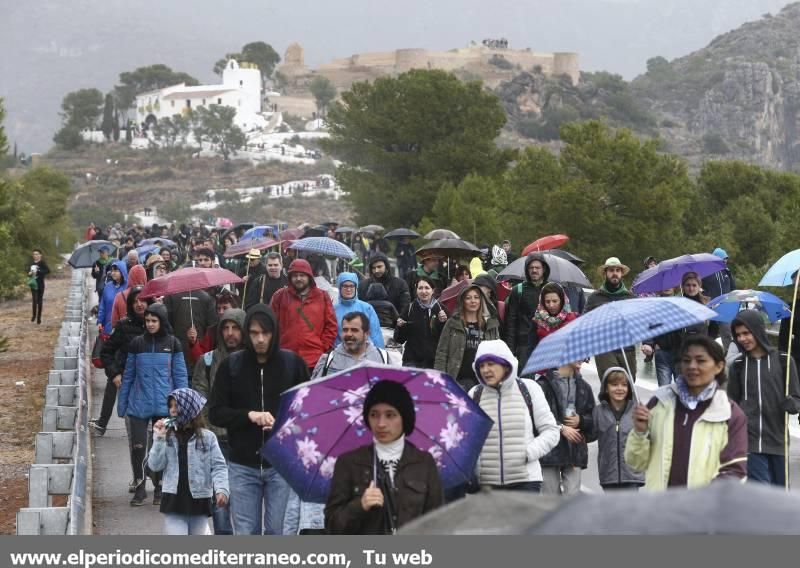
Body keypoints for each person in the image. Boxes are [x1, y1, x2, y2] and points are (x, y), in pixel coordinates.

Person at [208, 305, 309, 535]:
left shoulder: (292, 364)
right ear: (247, 334)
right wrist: (248, 415)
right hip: (242, 464)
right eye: (254, 333)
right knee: (245, 532)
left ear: (275, 332)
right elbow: (215, 412)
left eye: (265, 333)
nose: (260, 339)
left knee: (278, 531)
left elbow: (308, 412)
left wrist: (283, 423)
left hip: (281, 464)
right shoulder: (231, 366)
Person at [625, 335, 748, 490]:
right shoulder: (659, 403)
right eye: (686, 360)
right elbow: (636, 463)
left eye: (701, 360)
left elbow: (735, 472)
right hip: (660, 509)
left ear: (719, 366)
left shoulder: (730, 413)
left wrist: (701, 504)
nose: (692, 366)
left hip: (703, 511)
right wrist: (639, 433)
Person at [325, 380, 444, 534]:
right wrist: (359, 505)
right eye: (374, 414)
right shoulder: (349, 463)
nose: (381, 424)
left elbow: (439, 523)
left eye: (390, 415)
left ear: (404, 417)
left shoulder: (424, 462)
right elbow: (332, 526)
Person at [118, 303, 189, 506]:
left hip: (165, 407)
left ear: (162, 321)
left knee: (162, 448)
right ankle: (140, 488)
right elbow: (129, 375)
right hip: (139, 404)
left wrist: (181, 405)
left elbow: (180, 376)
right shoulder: (136, 344)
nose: (150, 324)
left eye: (154, 321)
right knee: (138, 448)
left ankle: (160, 488)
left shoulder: (173, 344)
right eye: (147, 320)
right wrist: (122, 405)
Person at [468, 340, 559, 492]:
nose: (485, 370)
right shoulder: (474, 395)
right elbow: (469, 440)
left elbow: (551, 431)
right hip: (488, 485)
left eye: (491, 364)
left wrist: (527, 453)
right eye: (481, 366)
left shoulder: (529, 389)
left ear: (505, 364)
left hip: (526, 481)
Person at [728, 310, 800, 486]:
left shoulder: (785, 361)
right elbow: (731, 404)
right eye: (738, 335)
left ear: (758, 330)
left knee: (779, 495)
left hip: (778, 442)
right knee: (762, 491)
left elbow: (797, 400)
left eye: (746, 333)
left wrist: (792, 403)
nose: (742, 339)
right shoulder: (738, 365)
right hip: (749, 442)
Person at [192, 307, 245, 535]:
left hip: (246, 440)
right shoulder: (207, 361)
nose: (230, 333)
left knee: (245, 499)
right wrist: (206, 432)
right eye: (226, 328)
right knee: (220, 497)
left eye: (235, 328)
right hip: (217, 439)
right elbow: (199, 397)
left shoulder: (255, 361)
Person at [149, 388, 229, 535]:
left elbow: (219, 466)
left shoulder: (208, 437)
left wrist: (221, 489)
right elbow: (155, 465)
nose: (172, 410)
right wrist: (158, 438)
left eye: (176, 406)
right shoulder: (167, 436)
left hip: (199, 501)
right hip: (174, 501)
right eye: (170, 406)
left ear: (189, 408)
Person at [90, 286, 147, 438]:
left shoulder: (157, 325)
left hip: (150, 384)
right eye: (135, 301)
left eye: (142, 301)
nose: (139, 304)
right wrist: (115, 373)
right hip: (126, 380)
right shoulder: (123, 325)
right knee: (135, 433)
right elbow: (106, 352)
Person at [536, 361, 594, 496]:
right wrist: (560, 428)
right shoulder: (543, 385)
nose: (583, 358)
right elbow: (537, 419)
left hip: (574, 450)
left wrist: (582, 420)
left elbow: (593, 421)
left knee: (572, 502)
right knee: (550, 500)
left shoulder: (584, 387)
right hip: (549, 451)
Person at [641, 272, 709, 386]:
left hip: (688, 356)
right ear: (682, 286)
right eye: (688, 285)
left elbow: (710, 331)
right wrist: (650, 343)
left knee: (684, 392)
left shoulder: (705, 306)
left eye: (694, 285)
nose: (691, 288)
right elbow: (652, 325)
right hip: (665, 352)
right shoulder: (673, 303)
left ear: (699, 286)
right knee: (664, 392)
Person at [270, 259, 338, 372]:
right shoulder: (280, 296)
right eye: (295, 275)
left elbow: (331, 325)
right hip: (286, 358)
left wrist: (322, 346)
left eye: (302, 275)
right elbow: (270, 324)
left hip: (314, 360)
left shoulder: (322, 296)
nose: (298, 279)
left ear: (309, 276)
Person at [586, 368, 644, 491]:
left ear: (629, 388)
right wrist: (580, 421)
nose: (619, 388)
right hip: (608, 475)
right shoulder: (598, 411)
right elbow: (590, 435)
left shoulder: (638, 410)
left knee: (631, 510)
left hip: (632, 475)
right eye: (614, 384)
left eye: (624, 385)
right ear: (606, 388)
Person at [435, 285, 501, 392]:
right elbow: (441, 353)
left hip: (484, 379)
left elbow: (497, 353)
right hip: (458, 379)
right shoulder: (453, 323)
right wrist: (441, 379)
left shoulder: (490, 325)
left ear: (481, 300)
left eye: (476, 297)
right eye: (468, 298)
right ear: (463, 301)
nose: (473, 301)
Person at [584, 257, 637, 381]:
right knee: (611, 382)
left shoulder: (630, 297)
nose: (615, 273)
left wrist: (648, 343)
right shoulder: (595, 298)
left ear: (621, 274)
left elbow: (641, 321)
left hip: (627, 347)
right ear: (605, 273)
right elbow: (584, 323)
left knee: (628, 385)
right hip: (604, 348)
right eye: (611, 270)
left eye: (618, 270)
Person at [504, 253, 551, 365]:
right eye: (531, 268)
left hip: (546, 345)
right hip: (524, 347)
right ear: (527, 270)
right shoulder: (517, 290)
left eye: (537, 267)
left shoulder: (552, 289)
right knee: (525, 381)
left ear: (543, 269)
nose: (534, 270)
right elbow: (510, 322)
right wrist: (510, 350)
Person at [312, 312, 389, 378]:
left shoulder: (383, 359)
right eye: (345, 330)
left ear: (367, 334)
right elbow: (315, 391)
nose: (348, 334)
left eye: (354, 330)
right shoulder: (328, 360)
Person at [394, 277, 447, 368]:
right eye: (420, 288)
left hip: (434, 361)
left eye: (427, 288)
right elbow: (399, 339)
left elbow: (446, 338)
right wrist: (400, 327)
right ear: (416, 290)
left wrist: (443, 323)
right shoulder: (409, 309)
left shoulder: (441, 310)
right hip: (411, 360)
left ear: (433, 290)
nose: (423, 291)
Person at [529, 282, 577, 361]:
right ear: (542, 302)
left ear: (562, 301)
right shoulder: (536, 320)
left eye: (555, 301)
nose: (551, 305)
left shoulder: (572, 320)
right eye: (547, 302)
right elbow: (530, 348)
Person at [334, 273, 384, 348]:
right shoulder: (333, 310)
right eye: (345, 286)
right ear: (339, 288)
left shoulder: (367, 308)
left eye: (351, 286)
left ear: (356, 287)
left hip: (365, 354)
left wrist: (379, 353)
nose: (348, 289)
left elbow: (375, 334)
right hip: (340, 354)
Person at [702, 248, 736, 352]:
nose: (725, 261)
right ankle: (707, 353)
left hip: (725, 306)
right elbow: (700, 288)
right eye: (723, 259)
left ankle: (729, 355)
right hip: (710, 307)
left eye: (726, 259)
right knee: (709, 333)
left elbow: (733, 288)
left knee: (727, 333)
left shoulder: (727, 271)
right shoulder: (705, 272)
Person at [97, 260, 128, 335]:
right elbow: (102, 305)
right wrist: (100, 321)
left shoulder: (128, 287)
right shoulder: (108, 286)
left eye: (116, 270)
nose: (113, 273)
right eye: (112, 270)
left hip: (124, 326)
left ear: (122, 271)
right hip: (108, 324)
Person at [28, 249, 50, 325]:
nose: (35, 256)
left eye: (37, 254)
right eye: (34, 254)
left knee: (39, 301)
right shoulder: (31, 263)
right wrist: (30, 273)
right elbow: (28, 273)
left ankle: (39, 317)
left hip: (40, 284)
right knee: (34, 299)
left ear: (40, 255)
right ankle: (34, 315)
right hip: (33, 284)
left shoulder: (42, 263)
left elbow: (48, 271)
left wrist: (39, 271)